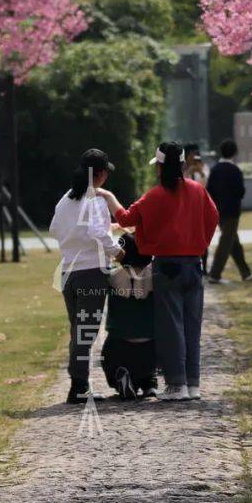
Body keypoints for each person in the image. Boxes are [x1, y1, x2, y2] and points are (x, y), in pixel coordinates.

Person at [101, 141, 219, 402]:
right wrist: (201, 243)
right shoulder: (198, 190)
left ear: (160, 167)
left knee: (171, 327)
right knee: (192, 326)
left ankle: (177, 384)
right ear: (183, 165)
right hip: (194, 264)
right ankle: (193, 383)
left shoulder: (154, 195)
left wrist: (108, 197)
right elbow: (213, 217)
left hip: (167, 266)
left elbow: (126, 219)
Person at [50, 146, 119, 403]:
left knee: (78, 330)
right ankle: (79, 387)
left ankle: (79, 384)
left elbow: (54, 229)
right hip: (91, 272)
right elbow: (99, 234)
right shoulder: (96, 200)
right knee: (86, 332)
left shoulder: (66, 199)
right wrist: (121, 254)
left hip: (68, 272)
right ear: (100, 174)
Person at [101, 233, 158, 400]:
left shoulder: (113, 277)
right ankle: (149, 384)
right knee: (149, 362)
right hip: (150, 344)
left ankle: (120, 380)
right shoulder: (154, 277)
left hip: (120, 342)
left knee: (107, 356)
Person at [206, 139, 252, 283]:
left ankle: (246, 273)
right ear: (234, 153)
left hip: (218, 210)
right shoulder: (235, 170)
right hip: (232, 212)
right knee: (226, 242)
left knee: (233, 241)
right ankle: (215, 274)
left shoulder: (215, 169)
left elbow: (209, 191)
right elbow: (241, 192)